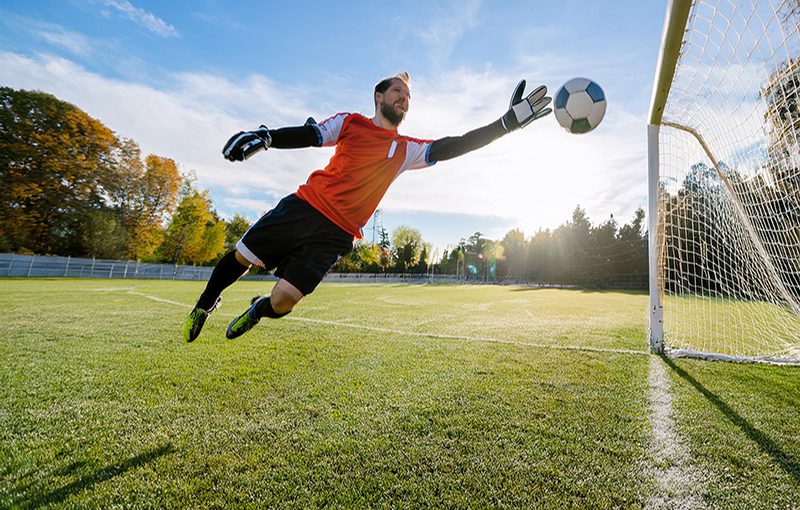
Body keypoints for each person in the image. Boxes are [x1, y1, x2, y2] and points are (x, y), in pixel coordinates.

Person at [182, 72, 552, 342]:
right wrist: (267, 138)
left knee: (282, 302)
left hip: (337, 234)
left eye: (408, 96)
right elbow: (311, 135)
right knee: (243, 257)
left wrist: (506, 124)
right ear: (378, 96)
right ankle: (205, 303)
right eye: (397, 91)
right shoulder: (351, 123)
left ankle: (256, 310)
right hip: (304, 207)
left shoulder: (406, 149)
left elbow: (457, 144)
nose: (404, 99)